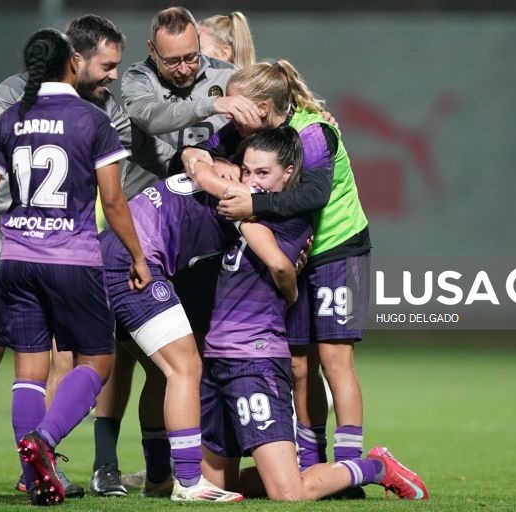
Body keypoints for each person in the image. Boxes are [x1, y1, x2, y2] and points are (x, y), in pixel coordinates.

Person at [0, 28, 150, 506]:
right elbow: (113, 200)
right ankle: (45, 441)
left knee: (28, 372)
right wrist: (137, 256)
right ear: (72, 63)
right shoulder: (92, 119)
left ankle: (34, 478)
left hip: (16, 257)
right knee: (97, 361)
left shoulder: (11, 118)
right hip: (71, 259)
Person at [187, 127, 427, 502]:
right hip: (215, 359)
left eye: (263, 173)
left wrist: (200, 163)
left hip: (254, 359)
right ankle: (307, 471)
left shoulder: (287, 219)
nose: (250, 181)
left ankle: (373, 467)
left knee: (289, 494)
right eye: (247, 171)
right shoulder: (250, 207)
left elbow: (280, 266)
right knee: (219, 488)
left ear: (288, 174)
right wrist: (199, 156)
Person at [88, 6, 264, 497]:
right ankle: (107, 464)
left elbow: (268, 112)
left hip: (193, 246)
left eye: (192, 57)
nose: (185, 68)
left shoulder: (225, 76)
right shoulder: (137, 82)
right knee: (123, 360)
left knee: (173, 366)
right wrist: (214, 109)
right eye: (173, 61)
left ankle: (163, 474)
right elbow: (151, 117)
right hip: (140, 236)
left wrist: (312, 117)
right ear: (152, 52)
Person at [180, 60, 372, 498]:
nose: (230, 116)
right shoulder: (251, 132)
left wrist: (252, 206)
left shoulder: (314, 134)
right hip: (291, 256)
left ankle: (352, 465)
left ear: (263, 108)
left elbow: (313, 195)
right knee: (299, 365)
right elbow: (200, 150)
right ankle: (313, 461)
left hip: (337, 247)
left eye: (237, 107)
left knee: (334, 359)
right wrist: (195, 155)